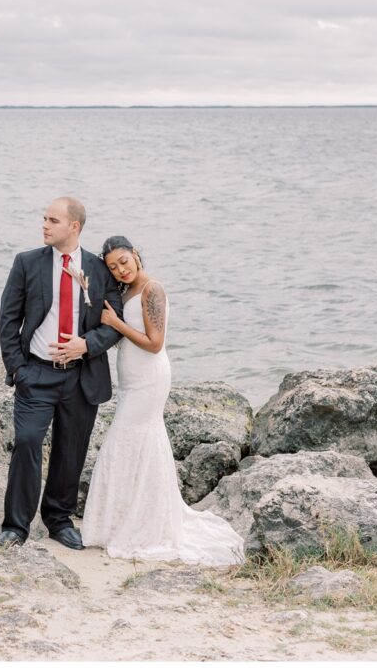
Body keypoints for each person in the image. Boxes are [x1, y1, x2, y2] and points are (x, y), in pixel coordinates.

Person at [81, 236, 244, 565]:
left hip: (150, 379)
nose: (120, 269)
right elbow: (123, 338)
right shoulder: (125, 292)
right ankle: (125, 521)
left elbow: (154, 343)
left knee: (124, 442)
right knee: (137, 447)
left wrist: (116, 323)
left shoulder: (151, 289)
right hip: (131, 380)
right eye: (113, 266)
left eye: (124, 261)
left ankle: (142, 526)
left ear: (136, 255)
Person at [0, 197, 124, 549]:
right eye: (44, 219)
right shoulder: (26, 263)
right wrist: (19, 370)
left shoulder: (98, 270)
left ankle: (58, 519)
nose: (45, 225)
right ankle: (15, 526)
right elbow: (8, 320)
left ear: (74, 227)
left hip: (82, 375)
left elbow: (116, 324)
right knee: (26, 441)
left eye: (53, 220)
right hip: (36, 374)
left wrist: (86, 344)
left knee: (72, 449)